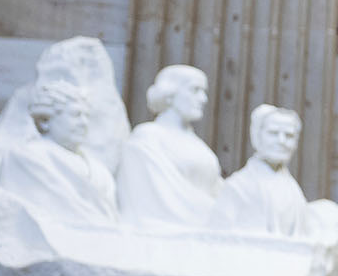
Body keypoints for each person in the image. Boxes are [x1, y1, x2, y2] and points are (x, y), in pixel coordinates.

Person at [0, 80, 119, 225]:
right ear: (45, 121)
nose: (84, 122)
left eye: (86, 116)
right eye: (76, 115)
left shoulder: (99, 171)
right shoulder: (25, 158)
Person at [115, 64, 223, 227]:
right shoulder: (148, 137)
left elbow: (217, 189)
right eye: (195, 90)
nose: (203, 99)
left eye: (204, 92)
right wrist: (219, 213)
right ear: (170, 94)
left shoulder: (197, 144)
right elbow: (160, 197)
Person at [209, 105, 315, 237]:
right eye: (273, 133)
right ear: (257, 136)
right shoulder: (238, 187)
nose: (281, 141)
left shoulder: (294, 190)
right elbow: (216, 238)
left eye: (289, 135)